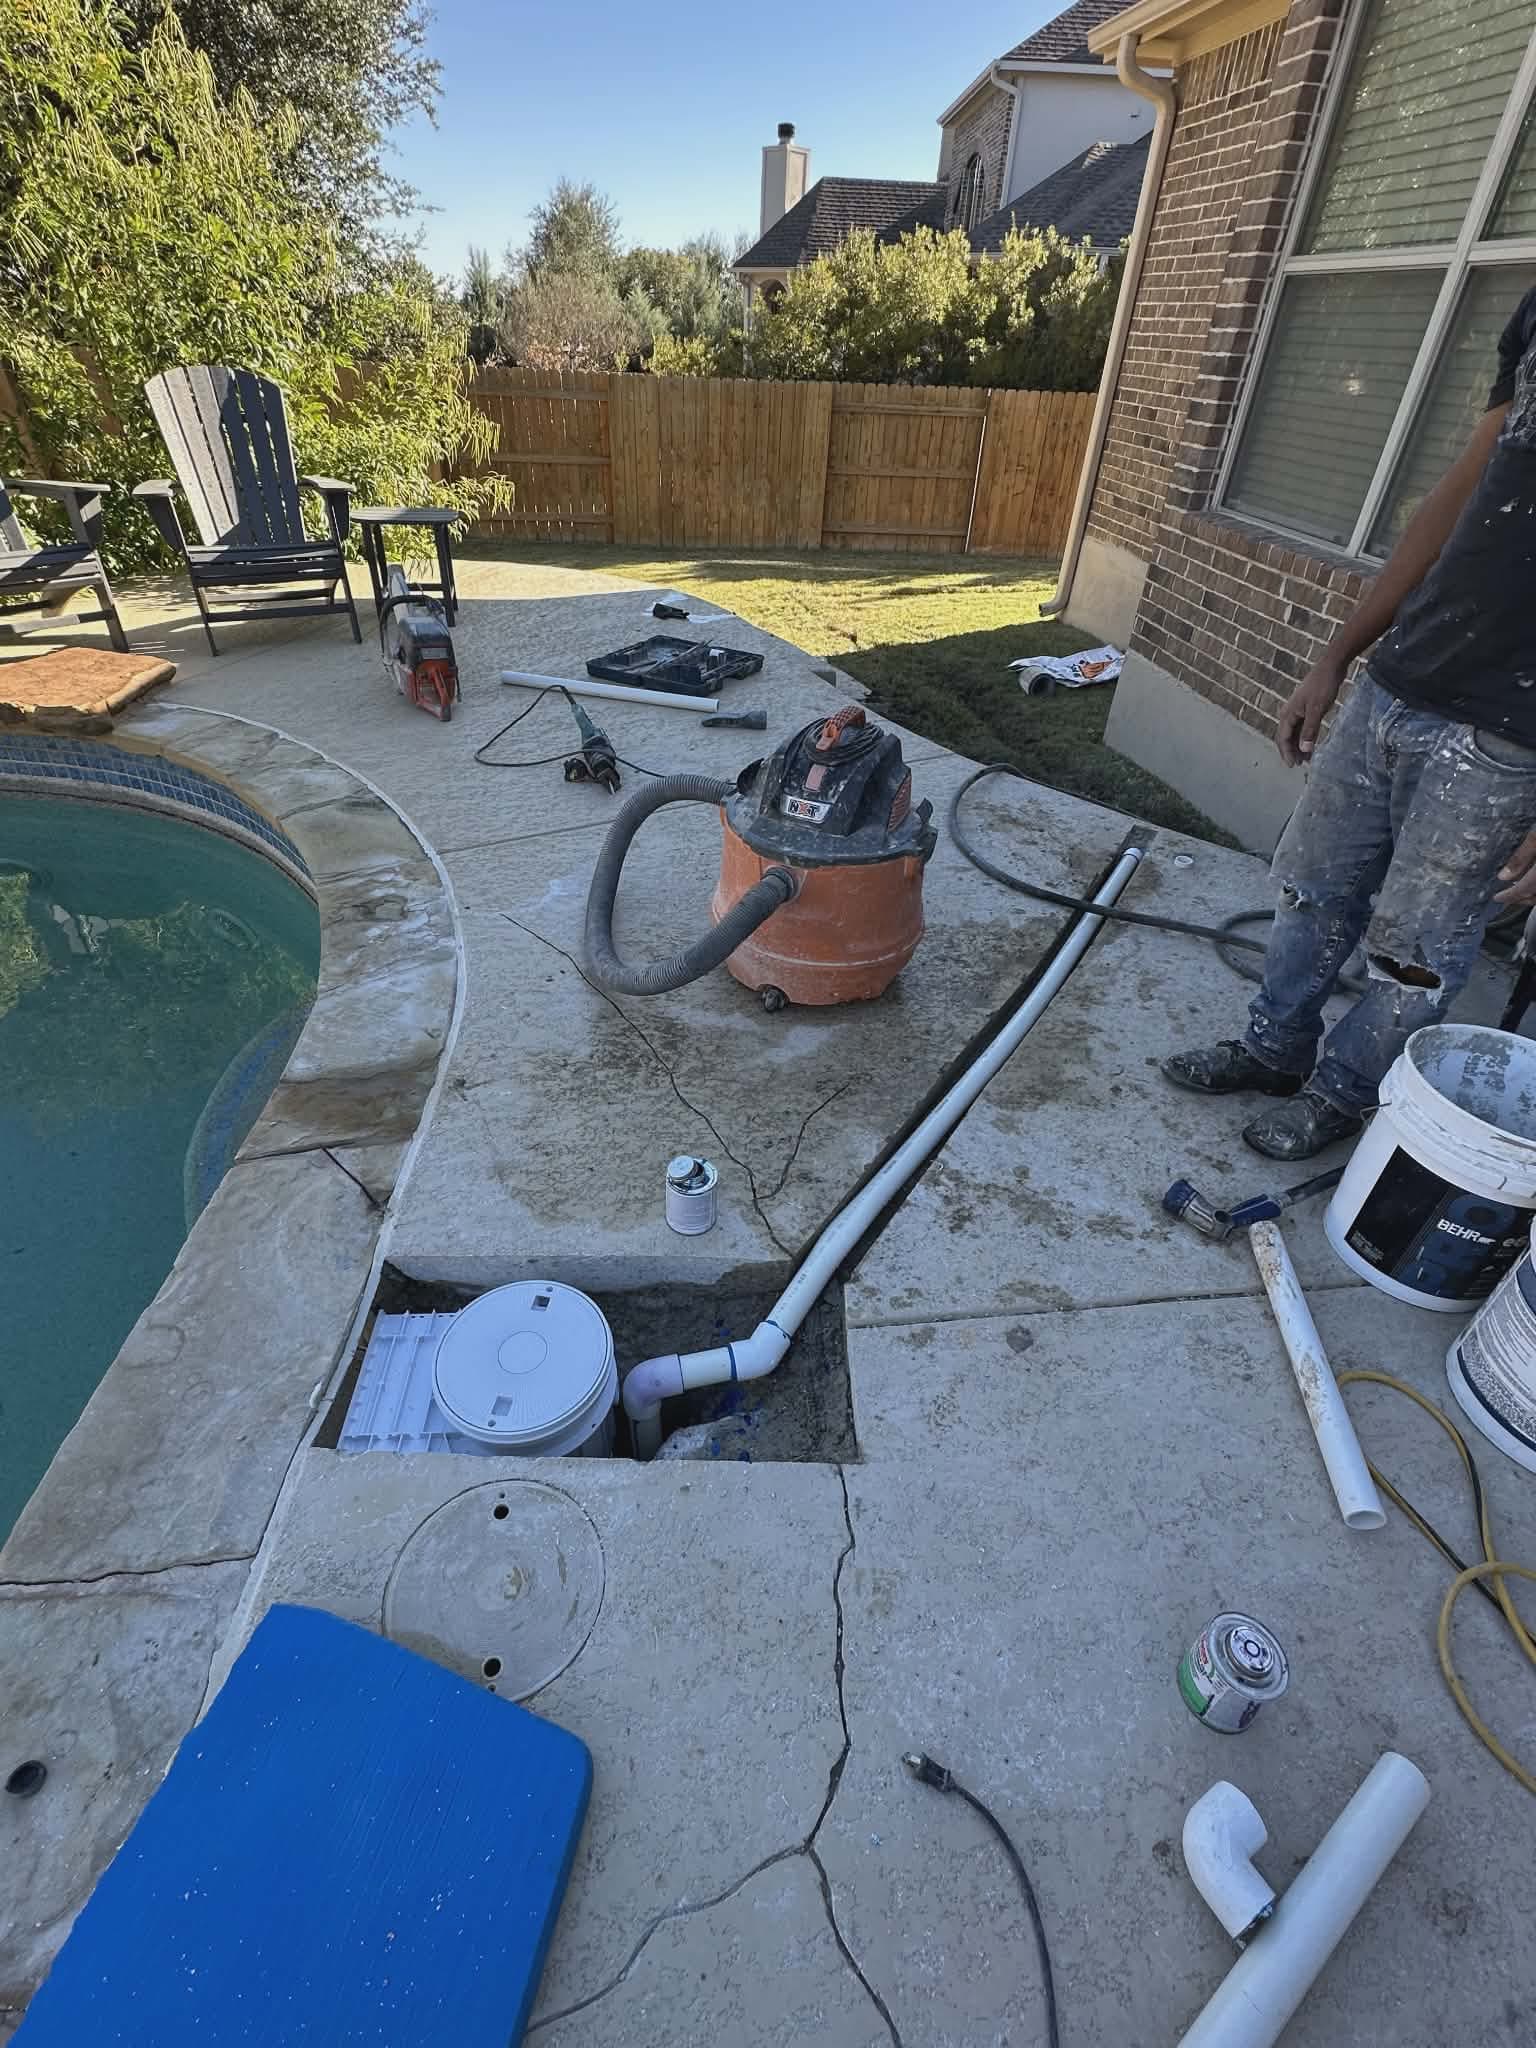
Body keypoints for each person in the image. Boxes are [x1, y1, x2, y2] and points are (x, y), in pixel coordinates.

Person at [1164, 285, 1536, 1162]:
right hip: (1401, 679)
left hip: (1509, 739)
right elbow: (1462, 488)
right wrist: (1339, 657)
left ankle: (1342, 1093)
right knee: (1310, 887)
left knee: (1415, 947)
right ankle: (1273, 1049)